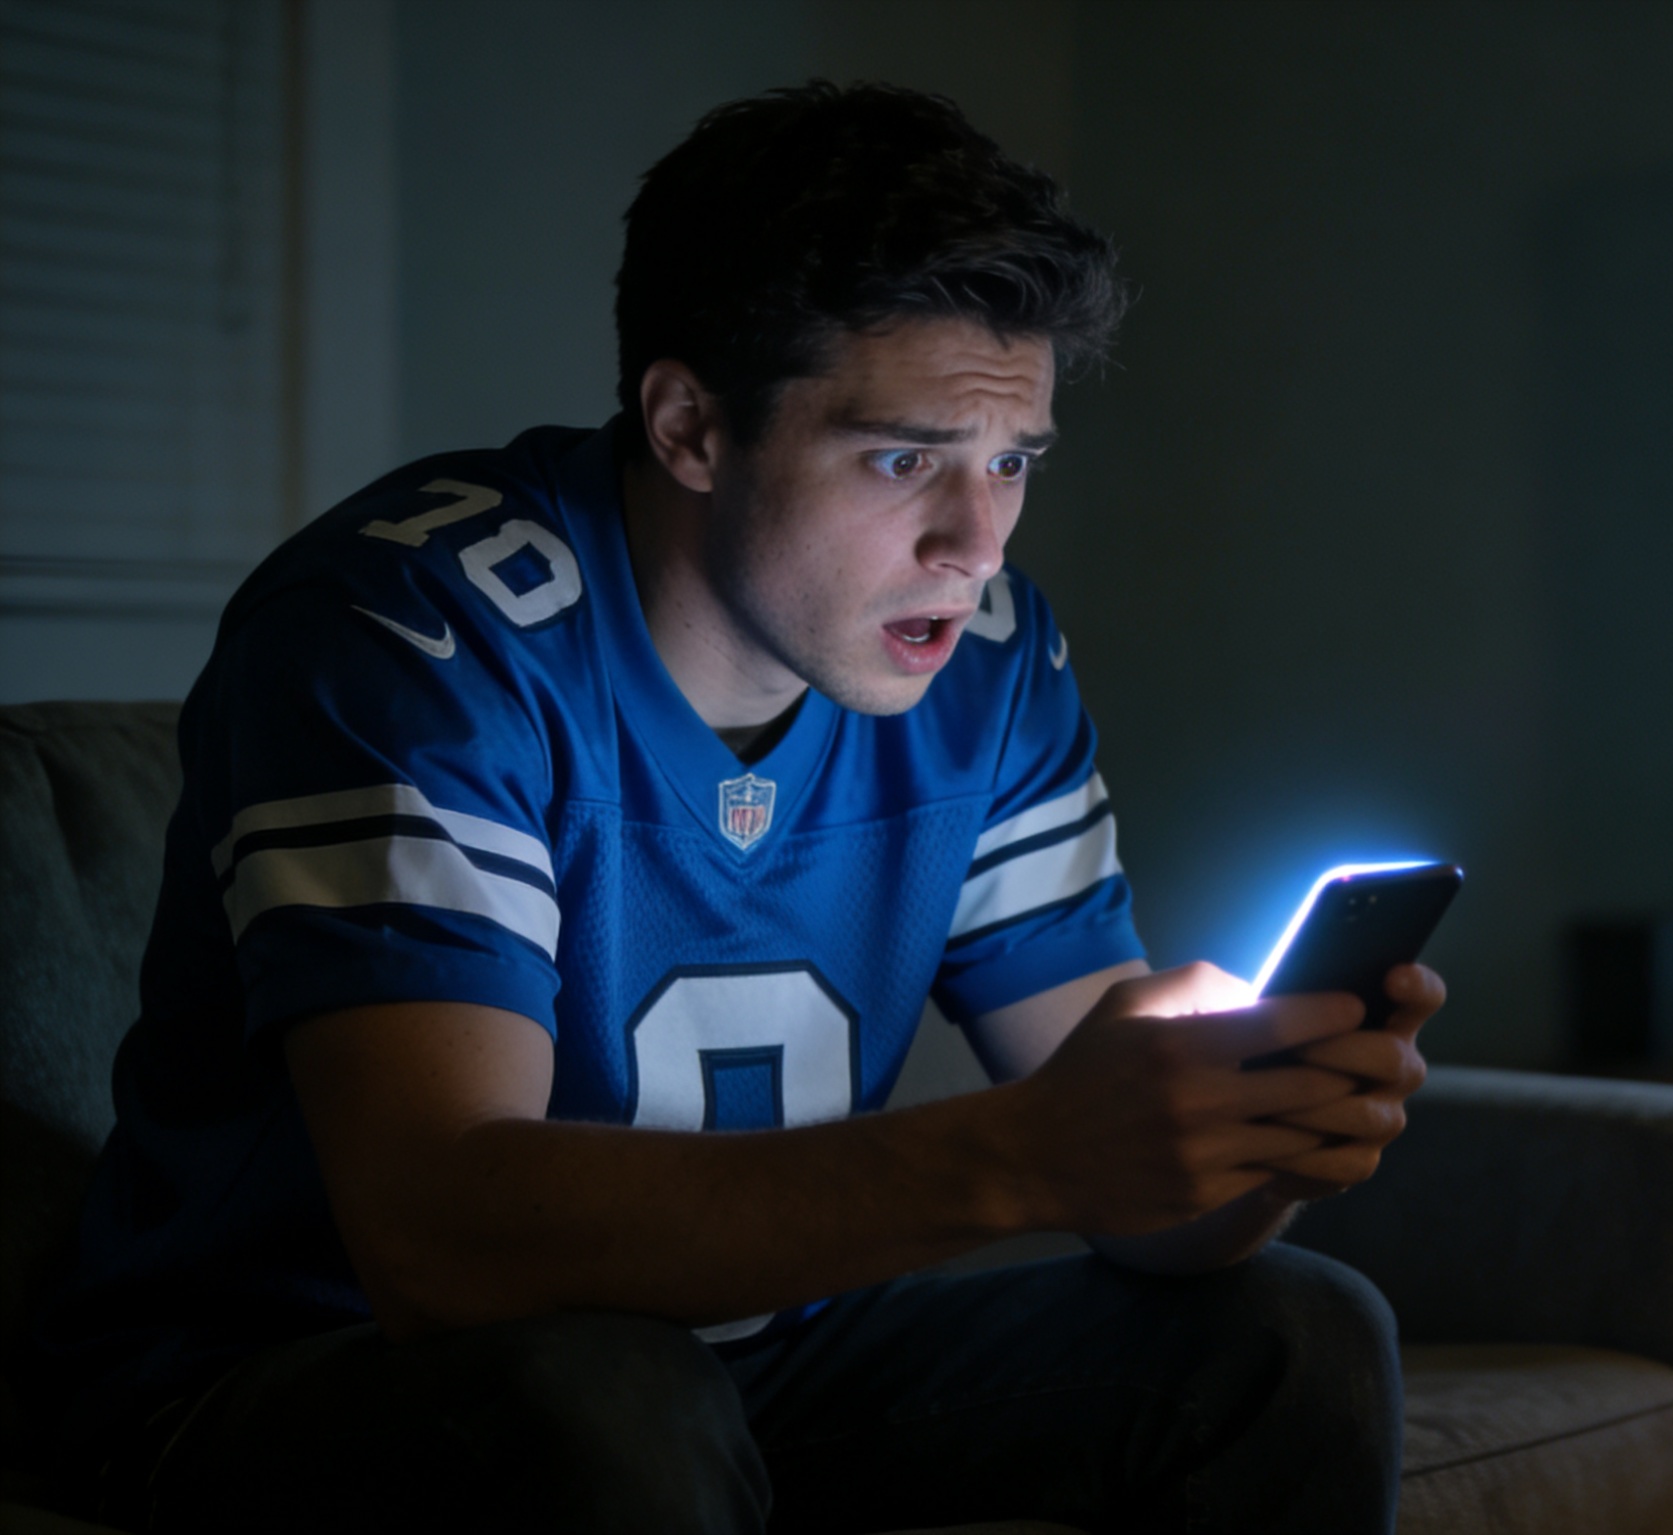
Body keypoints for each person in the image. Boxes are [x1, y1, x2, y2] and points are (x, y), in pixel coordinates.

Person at [18, 83, 1443, 1534]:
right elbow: (438, 1237)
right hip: (307, 1378)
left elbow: (1140, 1206)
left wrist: (1246, 1139)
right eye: (905, 459)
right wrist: (1025, 1149)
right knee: (609, 1397)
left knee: (1288, 1333)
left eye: (1009, 461)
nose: (975, 541)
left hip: (744, 1363)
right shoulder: (412, 637)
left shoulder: (986, 659)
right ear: (691, 424)